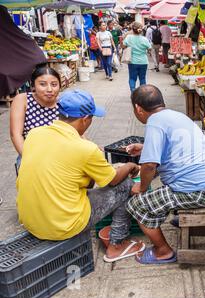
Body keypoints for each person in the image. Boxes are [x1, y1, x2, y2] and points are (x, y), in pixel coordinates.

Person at [16, 89, 145, 263]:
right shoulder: (85, 148)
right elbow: (114, 179)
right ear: (85, 119)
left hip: (31, 222)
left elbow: (85, 182)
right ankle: (116, 245)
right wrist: (130, 165)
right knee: (126, 184)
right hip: (63, 225)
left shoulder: (34, 134)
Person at [125, 85, 205, 264]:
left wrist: (141, 188)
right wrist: (145, 148)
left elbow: (149, 166)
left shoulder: (154, 123)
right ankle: (176, 215)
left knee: (137, 205)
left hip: (202, 191)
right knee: (167, 186)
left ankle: (162, 251)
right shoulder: (176, 116)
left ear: (138, 109)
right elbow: (175, 146)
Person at [10, 66, 60, 171]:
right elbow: (15, 134)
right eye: (42, 84)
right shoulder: (23, 100)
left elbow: (77, 130)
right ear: (33, 86)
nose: (49, 89)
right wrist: (31, 159)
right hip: (30, 155)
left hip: (60, 156)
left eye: (54, 84)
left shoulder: (64, 102)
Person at [122, 22, 152, 92]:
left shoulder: (129, 38)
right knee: (142, 79)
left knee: (132, 78)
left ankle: (133, 92)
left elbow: (123, 46)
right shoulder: (144, 39)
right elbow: (150, 49)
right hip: (143, 62)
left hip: (132, 61)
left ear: (132, 29)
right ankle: (143, 94)